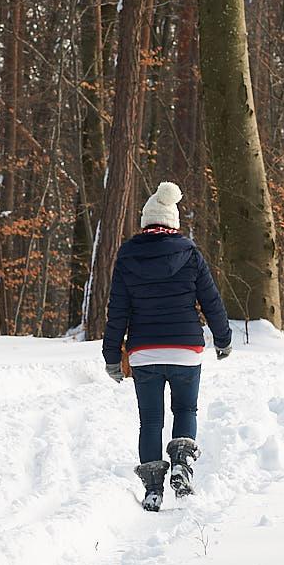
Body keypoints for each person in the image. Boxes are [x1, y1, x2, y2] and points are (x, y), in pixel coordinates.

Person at [101, 181, 233, 512]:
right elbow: (211, 301)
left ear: (146, 221)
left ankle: (153, 490)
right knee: (185, 410)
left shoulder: (128, 255)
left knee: (150, 420)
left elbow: (117, 311)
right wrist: (223, 339)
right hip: (185, 350)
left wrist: (111, 357)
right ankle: (182, 466)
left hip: (144, 352)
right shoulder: (189, 253)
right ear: (172, 221)